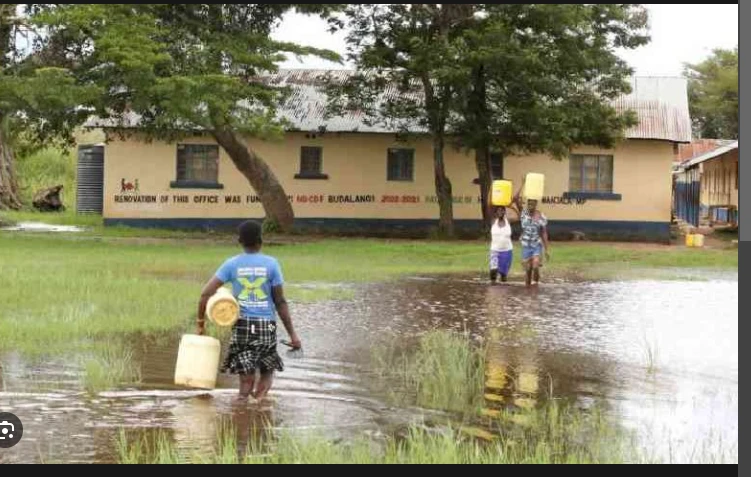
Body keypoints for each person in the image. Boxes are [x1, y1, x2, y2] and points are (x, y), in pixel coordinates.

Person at [197, 221, 302, 403]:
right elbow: (280, 301)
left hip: (242, 325)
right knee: (267, 372)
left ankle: (241, 412)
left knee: (245, 382)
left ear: (240, 241)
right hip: (265, 326)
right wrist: (293, 335)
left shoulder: (231, 264)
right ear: (261, 241)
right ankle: (258, 408)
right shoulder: (272, 264)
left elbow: (205, 293)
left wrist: (200, 323)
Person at [513, 184, 551, 287]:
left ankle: (536, 282)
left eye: (532, 204)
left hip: (536, 245)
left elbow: (543, 233)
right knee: (528, 271)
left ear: (536, 204)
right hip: (526, 245)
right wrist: (523, 184)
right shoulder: (523, 213)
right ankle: (529, 290)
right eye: (529, 204)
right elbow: (515, 198)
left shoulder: (541, 216)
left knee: (535, 266)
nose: (530, 206)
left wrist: (547, 249)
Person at [489, 206, 514, 285]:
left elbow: (519, 215)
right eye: (498, 210)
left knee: (503, 275)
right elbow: (489, 207)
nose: (500, 212)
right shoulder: (493, 221)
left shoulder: (508, 221)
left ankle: (503, 293)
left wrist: (511, 205)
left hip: (507, 251)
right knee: (493, 270)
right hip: (495, 250)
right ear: (496, 212)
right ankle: (493, 290)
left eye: (502, 210)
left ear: (504, 212)